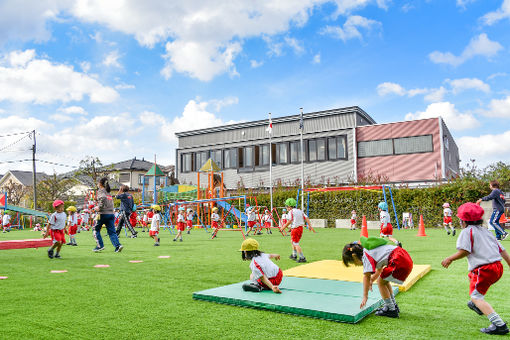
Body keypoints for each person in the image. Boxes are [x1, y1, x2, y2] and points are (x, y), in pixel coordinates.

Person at [441, 202, 510, 335]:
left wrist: (450, 258)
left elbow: (464, 251)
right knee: (471, 277)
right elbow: (502, 250)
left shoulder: (467, 232)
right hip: (497, 267)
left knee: (476, 297)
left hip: (484, 270)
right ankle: (476, 304)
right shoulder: (486, 231)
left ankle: (499, 324)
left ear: (462, 221)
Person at [342, 236, 413, 318]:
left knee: (380, 282)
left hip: (399, 259)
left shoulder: (366, 256)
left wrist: (365, 296)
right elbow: (379, 271)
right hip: (404, 257)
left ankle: (391, 309)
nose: (356, 265)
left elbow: (366, 277)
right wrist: (372, 280)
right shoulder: (371, 251)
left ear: (354, 256)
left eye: (354, 263)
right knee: (384, 280)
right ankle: (393, 306)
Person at [92, 177, 123, 253]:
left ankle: (100, 246)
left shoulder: (101, 191)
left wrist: (99, 207)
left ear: (100, 184)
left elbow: (103, 198)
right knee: (112, 232)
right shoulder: (108, 192)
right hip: (111, 214)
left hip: (103, 214)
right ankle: (117, 246)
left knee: (95, 230)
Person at [280, 198, 310, 263]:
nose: (286, 208)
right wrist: (309, 226)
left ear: (289, 206)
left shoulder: (291, 212)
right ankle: (294, 255)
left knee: (295, 243)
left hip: (295, 229)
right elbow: (306, 217)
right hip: (300, 228)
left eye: (287, 206)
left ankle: (302, 257)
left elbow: (289, 221)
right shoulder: (300, 210)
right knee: (292, 241)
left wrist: (283, 227)